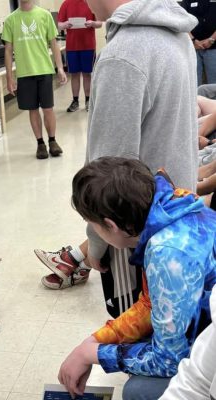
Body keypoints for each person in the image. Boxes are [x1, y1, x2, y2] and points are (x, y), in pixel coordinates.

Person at [36, 0, 199, 310]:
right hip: (178, 217)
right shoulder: (178, 35)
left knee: (132, 331)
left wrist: (95, 244)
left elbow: (105, 176)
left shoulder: (124, 55)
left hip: (133, 234)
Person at [57, 157, 216, 400]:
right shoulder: (171, 206)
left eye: (93, 226)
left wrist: (94, 354)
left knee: (138, 390)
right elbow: (151, 303)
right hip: (204, 322)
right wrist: (93, 342)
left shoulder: (167, 252)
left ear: (110, 225)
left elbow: (168, 361)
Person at [1, 0, 68, 160]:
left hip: (44, 69)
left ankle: (52, 141)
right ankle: (40, 144)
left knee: (48, 108)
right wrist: (9, 78)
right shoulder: (11, 20)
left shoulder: (44, 15)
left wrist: (60, 67)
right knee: (33, 109)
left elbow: (54, 43)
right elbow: (8, 51)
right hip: (24, 73)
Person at [159, 286, 216, 400]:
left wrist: (116, 355)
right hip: (190, 346)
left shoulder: (165, 269)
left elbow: (170, 358)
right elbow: (195, 385)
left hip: (184, 348)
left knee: (135, 388)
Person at [57, 0, 102, 113]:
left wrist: (92, 23)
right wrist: (65, 25)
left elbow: (100, 23)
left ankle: (88, 101)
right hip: (72, 47)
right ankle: (75, 101)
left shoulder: (91, 3)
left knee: (87, 74)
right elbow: (59, 25)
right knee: (74, 75)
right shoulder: (66, 3)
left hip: (88, 46)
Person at [180, 0, 216, 85]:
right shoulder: (187, 1)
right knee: (193, 83)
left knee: (214, 84)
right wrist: (193, 41)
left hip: (214, 48)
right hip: (192, 48)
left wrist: (211, 39)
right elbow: (181, 20)